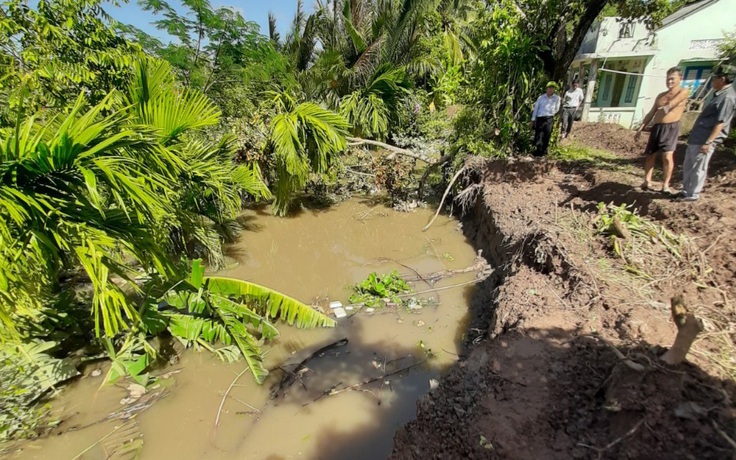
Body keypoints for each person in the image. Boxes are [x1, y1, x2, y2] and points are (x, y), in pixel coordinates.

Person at [677, 65, 736, 202]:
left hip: (705, 139)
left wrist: (709, 142)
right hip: (698, 137)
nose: (712, 81)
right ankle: (686, 191)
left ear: (722, 79)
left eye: (715, 78)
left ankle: (692, 195)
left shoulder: (727, 98)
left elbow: (720, 122)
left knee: (699, 167)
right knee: (689, 165)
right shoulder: (719, 94)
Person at [634, 67, 689, 194]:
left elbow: (673, 103)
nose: (669, 81)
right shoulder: (661, 96)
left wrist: (665, 108)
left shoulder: (683, 91)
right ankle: (647, 181)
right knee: (650, 155)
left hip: (670, 127)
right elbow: (651, 113)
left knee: (667, 157)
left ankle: (665, 185)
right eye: (667, 79)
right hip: (657, 128)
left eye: (672, 79)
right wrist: (640, 128)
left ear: (680, 79)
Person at [531, 82, 561, 157]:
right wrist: (533, 119)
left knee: (547, 134)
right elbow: (536, 109)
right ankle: (538, 151)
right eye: (549, 88)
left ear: (554, 89)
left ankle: (544, 151)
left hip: (549, 118)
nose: (551, 90)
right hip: (540, 118)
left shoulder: (557, 98)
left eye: (552, 88)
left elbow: (557, 108)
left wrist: (551, 113)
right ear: (546, 88)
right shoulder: (541, 98)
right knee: (539, 134)